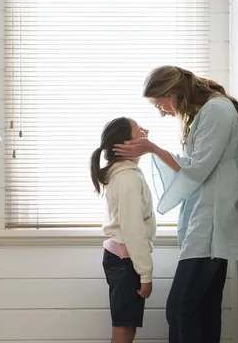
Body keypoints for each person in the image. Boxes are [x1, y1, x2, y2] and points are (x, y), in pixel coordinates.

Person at [113, 66, 238, 343]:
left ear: (172, 94)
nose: (161, 112)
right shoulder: (207, 113)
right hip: (207, 221)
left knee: (180, 309)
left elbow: (195, 170)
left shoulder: (216, 111)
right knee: (203, 309)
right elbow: (194, 169)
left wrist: (152, 148)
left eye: (160, 104)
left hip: (211, 224)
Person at [90, 117, 158, 343]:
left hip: (121, 257)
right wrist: (145, 274)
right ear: (126, 145)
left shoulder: (125, 174)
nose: (146, 130)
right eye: (139, 129)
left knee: (125, 323)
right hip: (125, 259)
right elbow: (133, 231)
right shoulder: (128, 178)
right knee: (124, 326)